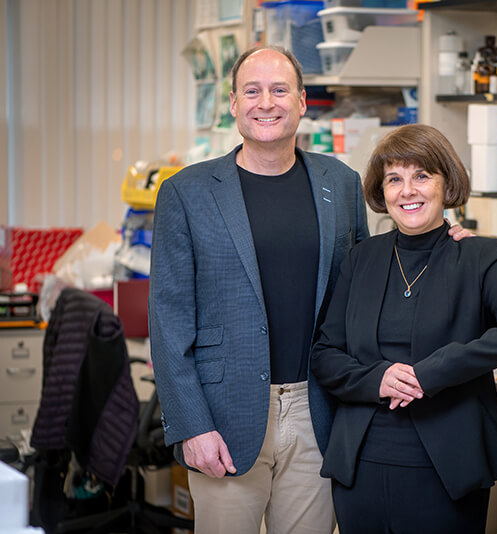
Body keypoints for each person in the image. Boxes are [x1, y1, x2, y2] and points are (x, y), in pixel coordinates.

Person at [148, 47, 469, 534]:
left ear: (301, 102)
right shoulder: (186, 192)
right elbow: (167, 323)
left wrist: (446, 242)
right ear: (233, 104)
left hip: (319, 410)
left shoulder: (338, 183)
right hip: (223, 415)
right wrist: (191, 425)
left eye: (279, 90)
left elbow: (373, 279)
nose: (266, 102)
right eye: (252, 91)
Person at [310, 124, 497, 534]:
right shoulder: (361, 259)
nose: (408, 191)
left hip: (445, 466)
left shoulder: (476, 256)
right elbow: (324, 353)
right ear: (382, 191)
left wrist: (434, 372)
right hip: (361, 465)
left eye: (422, 175)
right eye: (394, 179)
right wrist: (378, 379)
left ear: (447, 184)